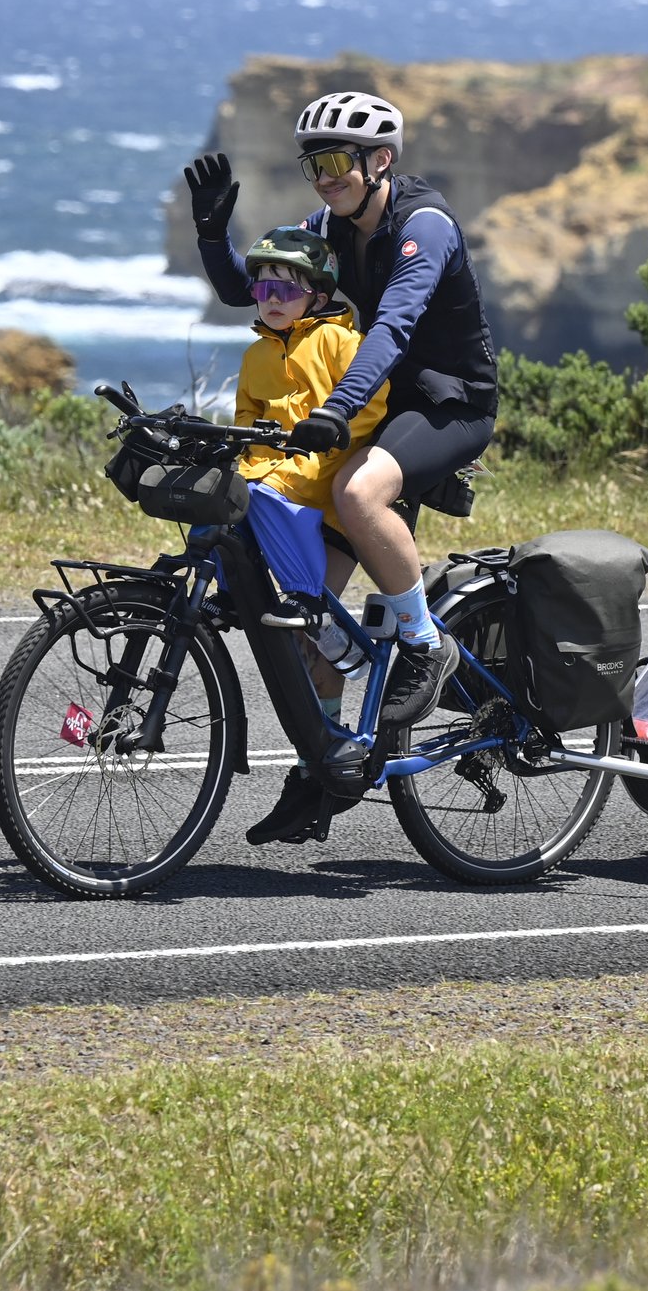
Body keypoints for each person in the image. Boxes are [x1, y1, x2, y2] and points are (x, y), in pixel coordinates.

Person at [184, 91, 501, 819]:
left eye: (335, 161)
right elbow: (259, 285)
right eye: (312, 163)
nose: (322, 176)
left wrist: (334, 407)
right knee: (307, 621)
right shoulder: (325, 225)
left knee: (359, 494)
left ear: (379, 160)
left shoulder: (426, 226)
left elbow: (391, 328)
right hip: (369, 407)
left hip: (446, 404)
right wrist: (211, 233)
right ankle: (324, 772)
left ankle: (424, 642)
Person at [226, 226, 390, 843]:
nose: (270, 297)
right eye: (261, 285)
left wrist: (292, 463)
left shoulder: (340, 342)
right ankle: (318, 757)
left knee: (310, 635)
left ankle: (323, 758)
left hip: (330, 507)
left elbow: (363, 415)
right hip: (281, 501)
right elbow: (248, 427)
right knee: (299, 644)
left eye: (286, 289)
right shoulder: (254, 356)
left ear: (318, 295)